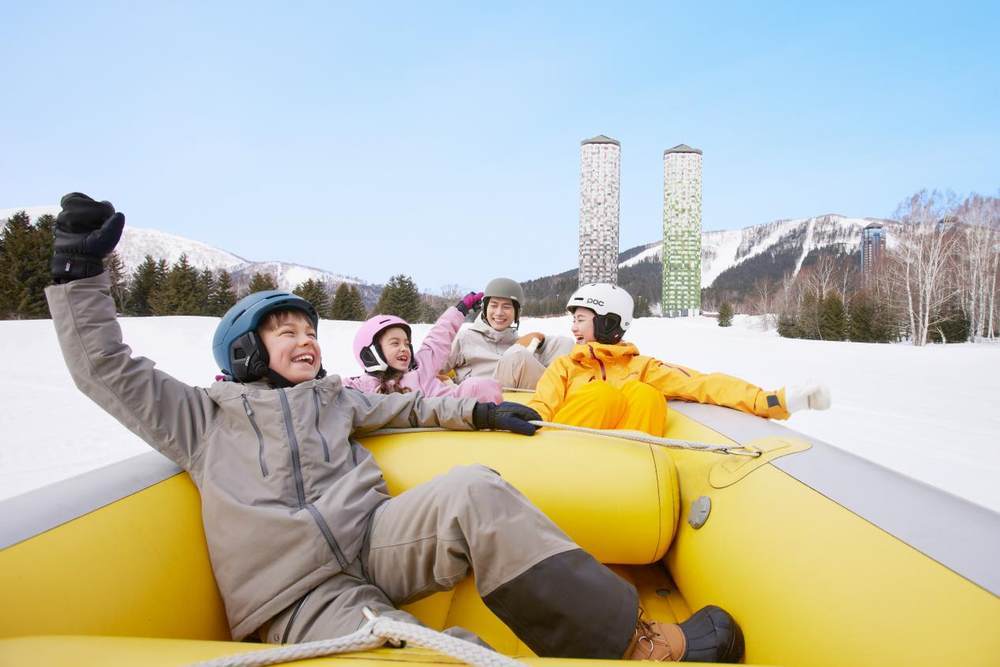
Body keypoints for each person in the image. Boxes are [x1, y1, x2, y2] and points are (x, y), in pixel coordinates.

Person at [45, 194, 745, 663]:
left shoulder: (335, 399)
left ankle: (632, 642)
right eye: (285, 332)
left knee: (474, 490)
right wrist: (79, 273)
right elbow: (105, 369)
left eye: (310, 331)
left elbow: (413, 406)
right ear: (245, 350)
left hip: (375, 541)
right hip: (298, 593)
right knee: (432, 652)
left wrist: (481, 410)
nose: (306, 340)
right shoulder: (200, 418)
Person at [528, 283, 831, 434]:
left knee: (644, 395)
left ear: (608, 322)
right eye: (574, 320)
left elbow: (703, 384)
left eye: (581, 319)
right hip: (565, 459)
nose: (573, 328)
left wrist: (773, 401)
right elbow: (543, 405)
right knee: (601, 395)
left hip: (619, 478)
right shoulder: (565, 366)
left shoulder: (641, 368)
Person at [344, 294, 502, 403]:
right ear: (371, 353)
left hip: (452, 413)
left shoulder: (421, 367)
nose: (404, 348)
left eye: (407, 343)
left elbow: (438, 337)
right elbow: (334, 390)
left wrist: (461, 309)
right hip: (415, 430)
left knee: (480, 386)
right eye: (395, 343)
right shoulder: (364, 386)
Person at [441, 277, 574, 391]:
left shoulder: (519, 343)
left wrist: (541, 340)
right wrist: (454, 390)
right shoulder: (465, 338)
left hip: (524, 392)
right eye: (494, 305)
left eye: (506, 307)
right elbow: (432, 367)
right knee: (517, 356)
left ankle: (567, 393)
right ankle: (560, 391)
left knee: (565, 343)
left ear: (516, 312)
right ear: (485, 308)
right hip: (484, 398)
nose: (499, 313)